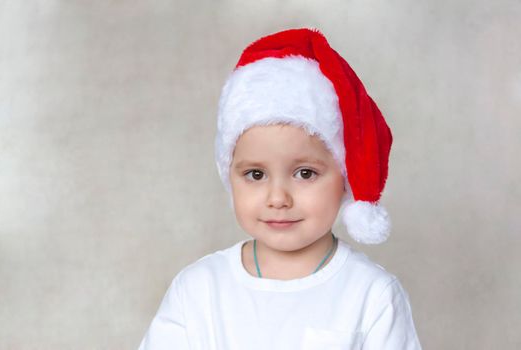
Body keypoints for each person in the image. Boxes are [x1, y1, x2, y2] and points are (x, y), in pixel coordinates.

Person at [138, 27, 422, 349]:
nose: (278, 198)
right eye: (256, 175)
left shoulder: (371, 294)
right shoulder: (198, 290)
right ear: (229, 175)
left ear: (344, 177)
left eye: (304, 173)